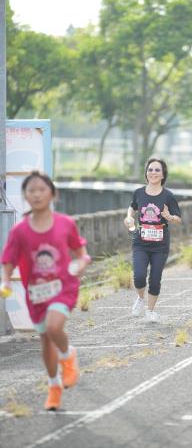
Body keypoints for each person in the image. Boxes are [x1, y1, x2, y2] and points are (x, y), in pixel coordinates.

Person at [0, 171, 90, 411]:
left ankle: (68, 356)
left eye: (42, 189)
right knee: (45, 340)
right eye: (31, 190)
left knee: (53, 327)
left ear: (53, 193)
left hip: (63, 287)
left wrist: (81, 263)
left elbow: (81, 251)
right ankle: (54, 386)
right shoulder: (19, 231)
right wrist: (6, 280)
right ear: (25, 196)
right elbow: (8, 258)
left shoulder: (65, 223)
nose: (37, 194)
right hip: (36, 293)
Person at [124, 158, 181, 322]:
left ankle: (150, 311)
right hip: (140, 241)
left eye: (157, 170)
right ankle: (140, 299)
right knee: (139, 276)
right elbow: (132, 207)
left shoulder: (168, 196)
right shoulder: (139, 192)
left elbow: (178, 219)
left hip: (160, 244)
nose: (153, 173)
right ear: (146, 173)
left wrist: (168, 216)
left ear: (163, 174)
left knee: (155, 279)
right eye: (150, 169)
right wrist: (129, 218)